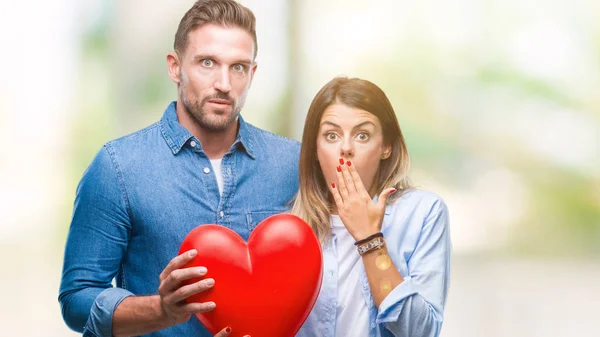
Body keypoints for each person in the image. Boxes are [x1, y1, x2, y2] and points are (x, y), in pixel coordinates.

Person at [58, 1, 299, 336]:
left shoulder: (292, 164)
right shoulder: (118, 167)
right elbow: (76, 299)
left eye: (239, 67)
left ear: (253, 73)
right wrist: (159, 310)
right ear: (175, 67)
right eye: (207, 63)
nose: (224, 84)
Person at [291, 76, 452, 337]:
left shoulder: (424, 213)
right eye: (331, 135)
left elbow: (419, 331)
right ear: (314, 149)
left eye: (362, 135)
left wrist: (370, 239)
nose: (345, 148)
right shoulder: (289, 226)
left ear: (386, 146)